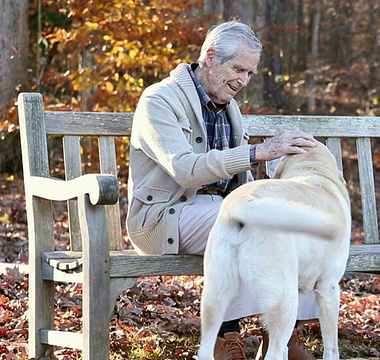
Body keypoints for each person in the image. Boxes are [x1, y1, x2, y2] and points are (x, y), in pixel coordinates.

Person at [126, 20, 318, 360]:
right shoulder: (159, 100)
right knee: (241, 222)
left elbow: (236, 180)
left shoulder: (229, 107)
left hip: (219, 208)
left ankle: (280, 336)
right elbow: (184, 169)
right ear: (211, 58)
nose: (243, 80)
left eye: (250, 73)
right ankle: (226, 337)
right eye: (239, 69)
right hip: (165, 216)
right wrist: (258, 152)